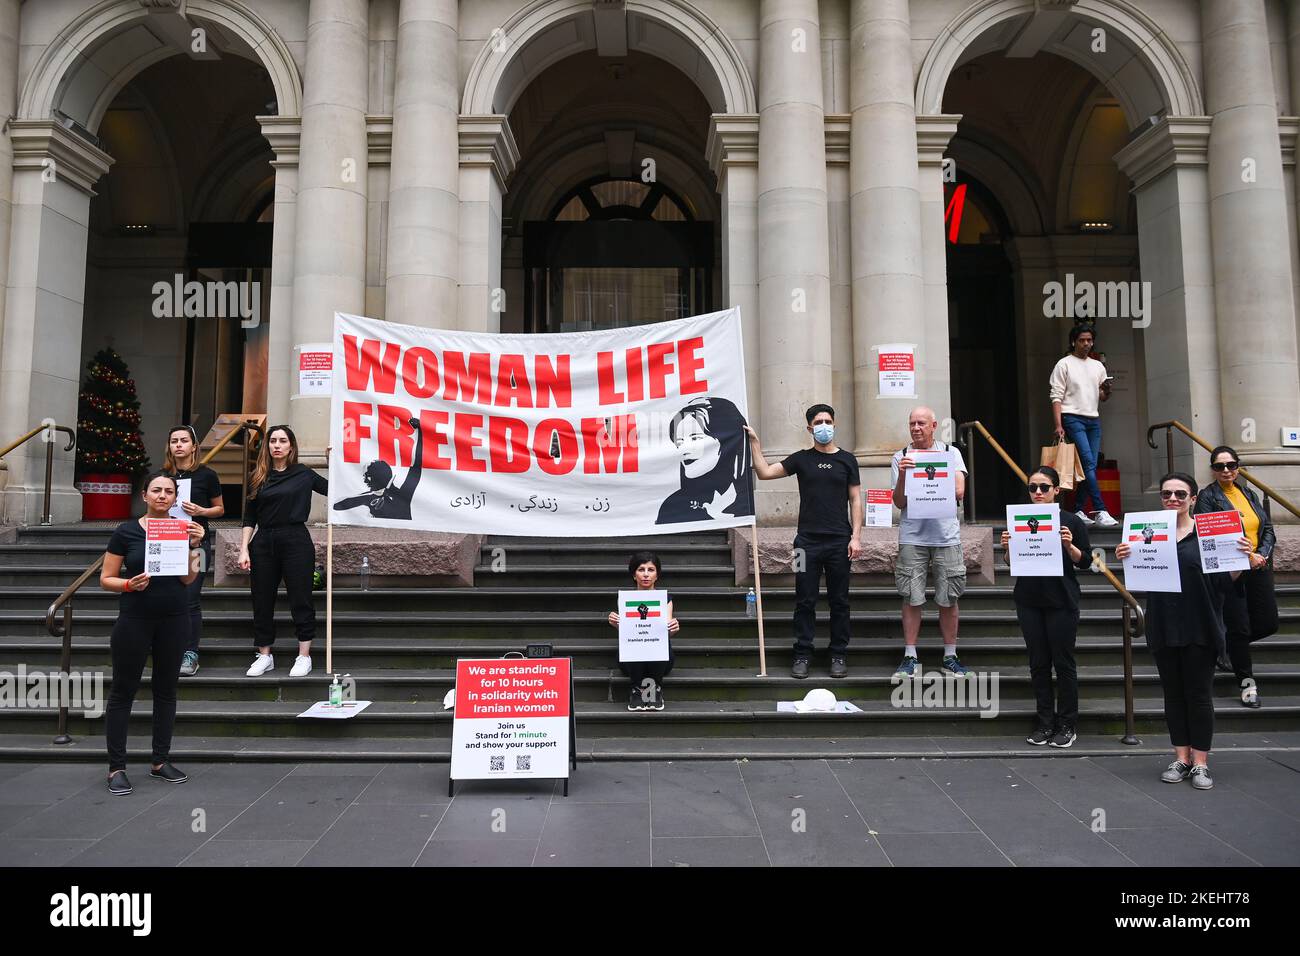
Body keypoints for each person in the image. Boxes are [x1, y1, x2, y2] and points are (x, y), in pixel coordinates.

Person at [1116, 473, 1248, 790]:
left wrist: (1239, 558)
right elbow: (1142, 580)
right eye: (1166, 494)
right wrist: (1127, 558)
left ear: (1193, 497)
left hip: (1200, 624)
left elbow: (1224, 582)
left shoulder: (1209, 532)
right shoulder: (1147, 533)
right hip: (1163, 624)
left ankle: (1200, 762)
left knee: (1198, 695)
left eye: (1179, 494)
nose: (1172, 499)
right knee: (1173, 695)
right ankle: (1181, 757)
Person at [100, 471, 205, 795]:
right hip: (135, 618)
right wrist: (129, 585)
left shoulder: (183, 529)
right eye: (156, 490)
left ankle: (160, 761)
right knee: (123, 691)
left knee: (166, 691)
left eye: (168, 491)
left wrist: (195, 546)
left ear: (175, 498)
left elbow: (189, 580)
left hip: (174, 618)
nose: (162, 495)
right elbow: (106, 578)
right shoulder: (126, 531)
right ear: (144, 495)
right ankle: (116, 768)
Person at [745, 404, 862, 679]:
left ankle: (838, 655)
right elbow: (764, 472)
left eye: (828, 421)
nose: (824, 425)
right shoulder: (801, 459)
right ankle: (802, 655)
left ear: (834, 424)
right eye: (819, 422)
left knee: (840, 602)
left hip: (839, 542)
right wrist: (755, 443)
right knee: (804, 601)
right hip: (805, 543)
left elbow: (856, 499)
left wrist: (856, 537)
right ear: (810, 428)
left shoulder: (848, 460)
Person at [1000, 465, 1092, 747]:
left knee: (1063, 663)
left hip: (1061, 599)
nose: (1037, 493)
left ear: (1056, 490)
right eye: (1032, 488)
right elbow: (1010, 563)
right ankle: (1044, 721)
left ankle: (1067, 723)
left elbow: (1086, 561)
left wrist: (1069, 546)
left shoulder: (1071, 522)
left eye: (1043, 487)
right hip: (1029, 598)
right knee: (1038, 664)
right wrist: (1006, 548)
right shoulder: (1020, 519)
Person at [238, 425, 328, 678]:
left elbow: (334, 490)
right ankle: (264, 655)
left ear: (291, 446)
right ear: (267, 446)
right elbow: (249, 517)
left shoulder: (304, 474)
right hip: (263, 540)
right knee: (262, 599)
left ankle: (304, 655)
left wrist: (334, 461)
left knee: (301, 597)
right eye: (273, 441)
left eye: (282, 441)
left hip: (296, 539)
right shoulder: (258, 476)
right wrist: (244, 548)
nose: (277, 445)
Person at [1195, 446, 1278, 708]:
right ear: (1213, 470)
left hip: (1257, 567)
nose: (1226, 471)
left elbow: (1268, 529)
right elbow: (1210, 534)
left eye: (1231, 465)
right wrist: (1242, 556)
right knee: (1240, 628)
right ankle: (1247, 685)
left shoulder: (1248, 493)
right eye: (1219, 466)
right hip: (1230, 571)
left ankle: (1226, 646)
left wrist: (1261, 554)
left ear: (1238, 467)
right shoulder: (1207, 497)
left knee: (1268, 623)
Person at [891, 406, 970, 677]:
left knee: (949, 597)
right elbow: (899, 501)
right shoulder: (900, 456)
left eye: (921, 423)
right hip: (913, 536)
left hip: (946, 536)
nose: (915, 428)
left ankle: (950, 655)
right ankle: (910, 655)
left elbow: (959, 490)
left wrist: (930, 478)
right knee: (912, 597)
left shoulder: (951, 454)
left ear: (934, 425)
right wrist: (905, 474)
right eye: (912, 423)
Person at [162, 425, 224, 676]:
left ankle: (190, 652)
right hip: (165, 542)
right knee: (165, 595)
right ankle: (167, 647)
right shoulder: (161, 476)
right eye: (174, 440)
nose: (178, 445)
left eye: (184, 441)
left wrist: (200, 512)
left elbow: (219, 509)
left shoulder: (206, 475)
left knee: (190, 597)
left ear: (194, 446)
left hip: (195, 544)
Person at [1050, 323, 1119, 527]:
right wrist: (1058, 424)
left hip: (1093, 419)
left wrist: (1107, 390)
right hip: (1071, 417)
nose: (1087, 344)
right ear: (1074, 341)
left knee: (1091, 464)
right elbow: (1056, 396)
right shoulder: (1064, 364)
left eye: (1089, 340)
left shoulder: (1097, 366)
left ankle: (1079, 509)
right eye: (1082, 340)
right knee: (1089, 462)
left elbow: (1102, 396)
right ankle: (1100, 509)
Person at [656, 396, 754, 523]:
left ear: (726, 441)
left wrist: (754, 443)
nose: (683, 449)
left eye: (695, 438)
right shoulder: (672, 507)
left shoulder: (746, 502)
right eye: (679, 442)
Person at [607, 551, 680, 710]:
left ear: (657, 575)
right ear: (634, 575)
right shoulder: (626, 599)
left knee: (657, 643)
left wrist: (673, 628)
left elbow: (665, 632)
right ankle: (637, 688)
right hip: (631, 661)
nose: (646, 574)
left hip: (660, 659)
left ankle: (654, 688)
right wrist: (616, 624)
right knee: (635, 642)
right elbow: (628, 631)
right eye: (641, 570)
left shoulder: (665, 599)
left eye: (651, 570)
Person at [333, 416, 425, 520]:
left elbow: (417, 463)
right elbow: (336, 505)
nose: (365, 480)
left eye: (367, 476)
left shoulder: (403, 493)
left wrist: (419, 431)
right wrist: (366, 497)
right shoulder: (369, 496)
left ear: (379, 475)